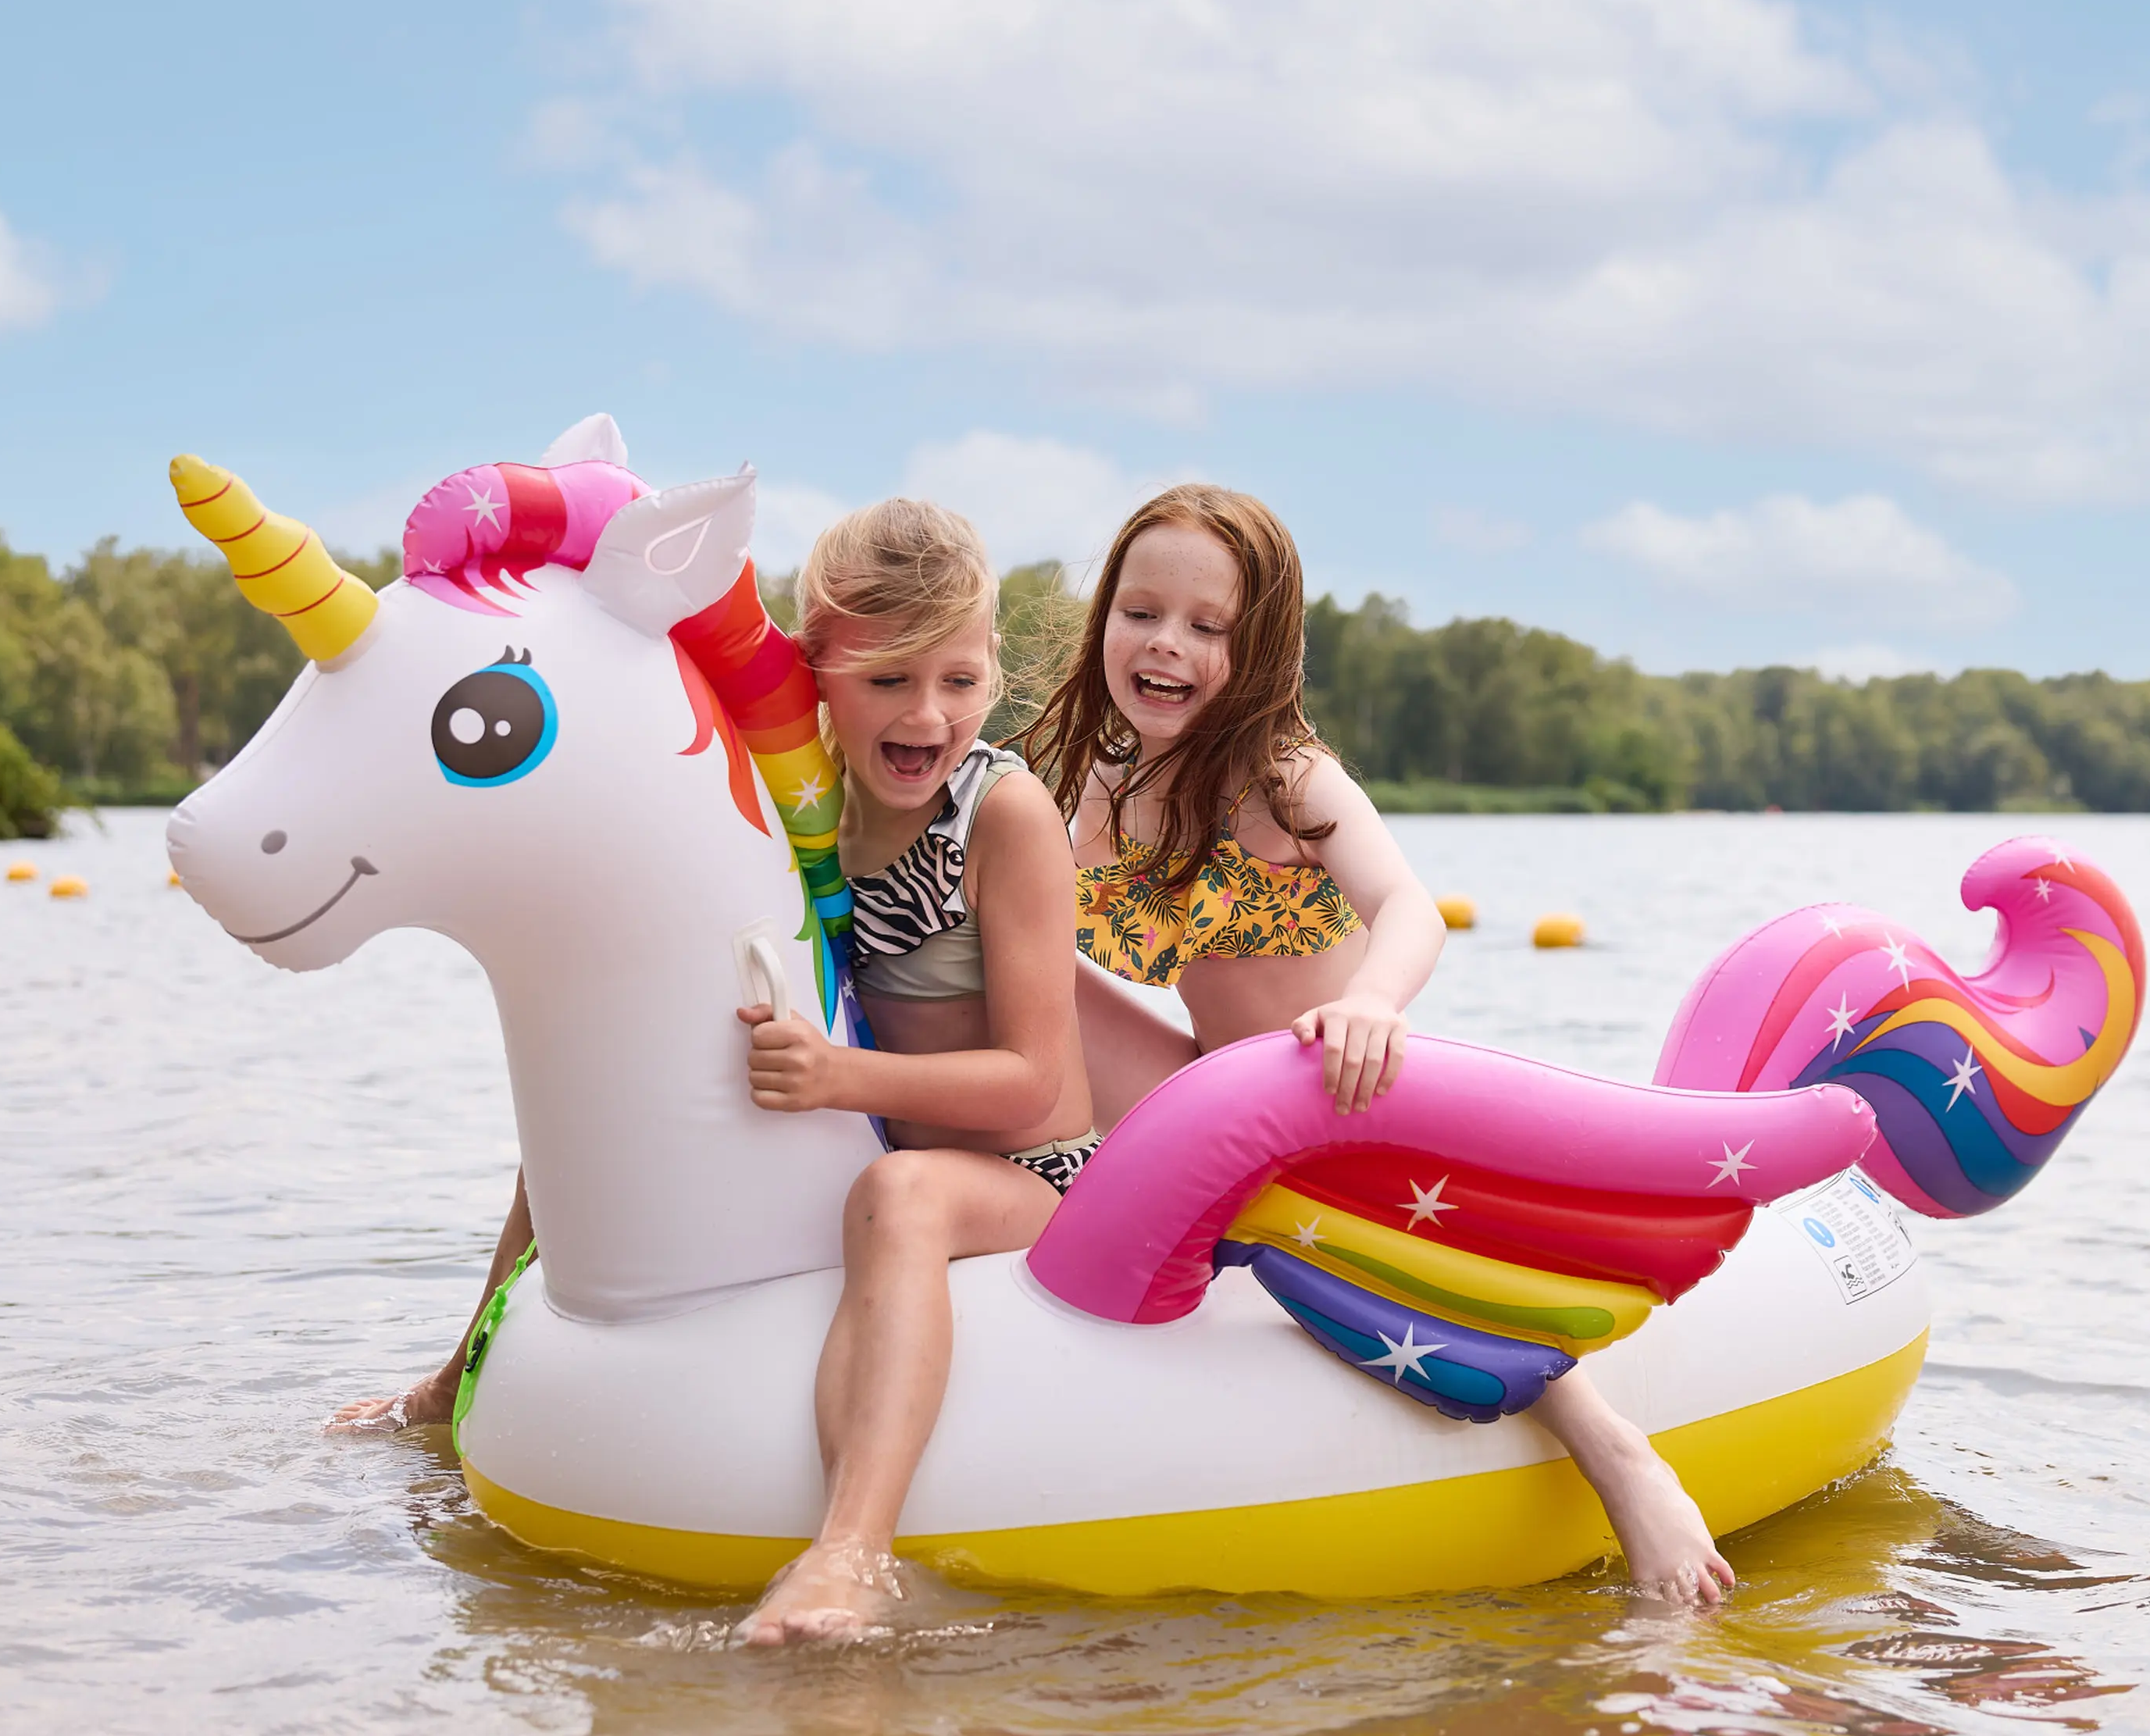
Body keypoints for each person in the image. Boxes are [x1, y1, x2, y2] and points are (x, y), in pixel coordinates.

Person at [1022, 484, 1735, 1606]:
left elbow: (1408, 907)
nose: (1165, 644)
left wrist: (1373, 1004)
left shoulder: (1289, 779)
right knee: (1011, 960)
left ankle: (1614, 1450)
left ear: (1259, 651)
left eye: (1207, 627)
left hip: (1341, 1106)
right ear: (1105, 615)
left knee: (1412, 1258)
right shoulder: (1103, 795)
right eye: (1141, 612)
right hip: (1204, 1108)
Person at [729, 499, 1095, 1645]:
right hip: (883, 1142)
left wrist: (838, 1080)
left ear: (992, 670)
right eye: (888, 679)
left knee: (900, 1194)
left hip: (1042, 1176)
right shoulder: (800, 806)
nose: (927, 715)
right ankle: (457, 1373)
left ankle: (850, 1555)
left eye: (959, 680)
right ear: (815, 671)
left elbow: (1032, 1082)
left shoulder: (1002, 815)